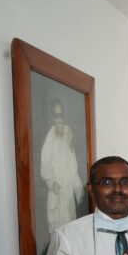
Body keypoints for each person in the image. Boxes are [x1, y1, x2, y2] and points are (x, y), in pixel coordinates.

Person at [39, 99, 85, 234]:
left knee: (70, 228)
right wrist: (52, 181)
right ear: (53, 119)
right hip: (56, 191)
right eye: (56, 117)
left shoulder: (67, 137)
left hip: (68, 192)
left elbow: (73, 166)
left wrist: (79, 190)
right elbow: (45, 164)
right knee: (57, 230)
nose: (59, 120)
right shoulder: (49, 140)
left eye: (61, 116)